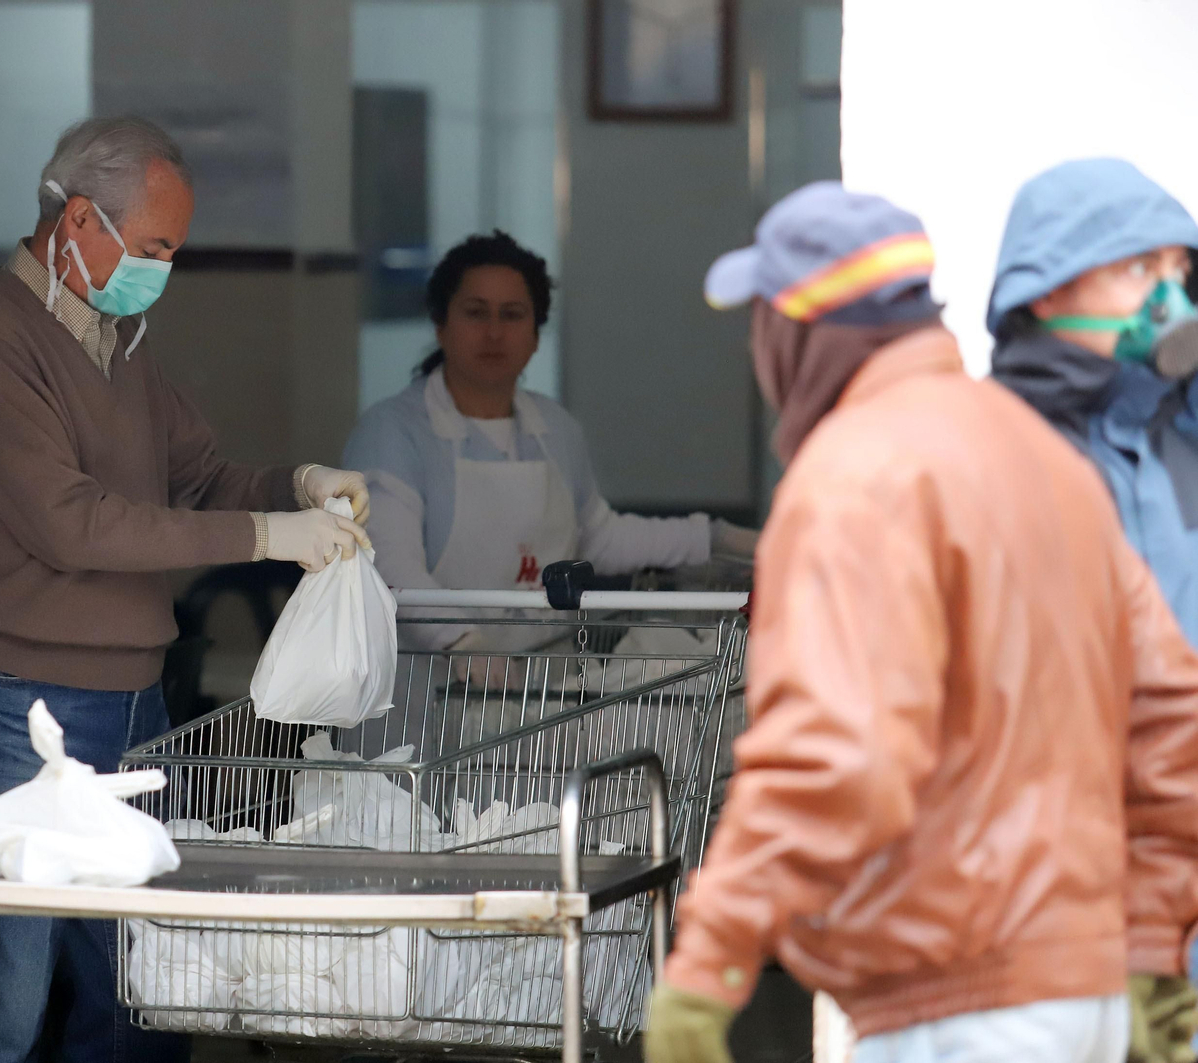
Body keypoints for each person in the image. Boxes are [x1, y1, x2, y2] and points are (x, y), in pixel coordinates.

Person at [645, 182, 1198, 1063]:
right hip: (1086, 993)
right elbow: (1170, 719)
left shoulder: (855, 477)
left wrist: (709, 961)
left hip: (961, 1005)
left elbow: (836, 749)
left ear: (794, 330)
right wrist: (1150, 948)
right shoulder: (1041, 455)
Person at [0, 116, 372, 1063]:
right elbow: (70, 524)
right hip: (13, 707)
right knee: (3, 1001)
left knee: (140, 996)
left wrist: (297, 486)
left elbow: (196, 475)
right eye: (154, 247)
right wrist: (266, 536)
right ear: (80, 219)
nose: (163, 268)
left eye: (172, 251)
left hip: (131, 707)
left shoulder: (117, 338)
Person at [341, 230, 757, 652]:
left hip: (545, 684)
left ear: (536, 334)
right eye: (475, 312)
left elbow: (600, 538)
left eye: (512, 315)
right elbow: (388, 562)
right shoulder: (391, 432)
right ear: (441, 325)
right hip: (432, 686)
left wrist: (714, 537)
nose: (494, 332)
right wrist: (462, 643)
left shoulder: (555, 429)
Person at [989, 158, 1198, 648]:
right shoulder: (991, 452)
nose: (1170, 300)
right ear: (1046, 294)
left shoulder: (1184, 427)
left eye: (1179, 271)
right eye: (1140, 269)